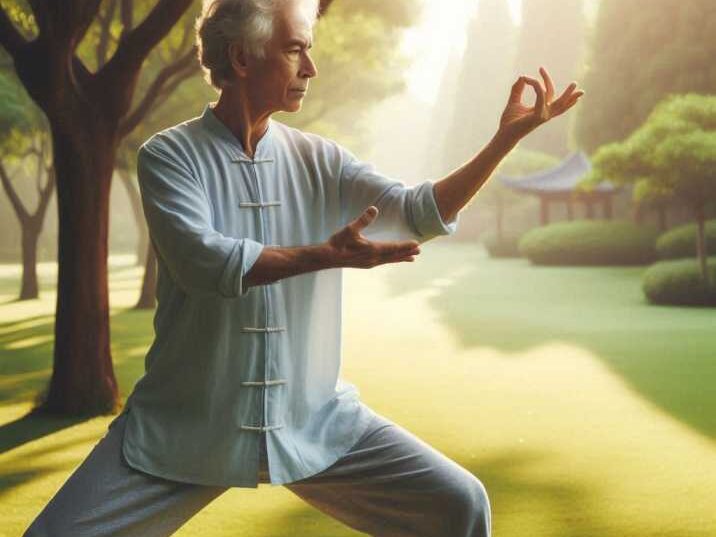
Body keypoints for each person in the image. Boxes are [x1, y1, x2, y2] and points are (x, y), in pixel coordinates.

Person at [23, 0, 584, 535]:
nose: (311, 67)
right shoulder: (169, 156)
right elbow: (204, 262)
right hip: (186, 427)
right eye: (295, 49)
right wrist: (323, 256)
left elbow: (418, 211)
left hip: (316, 423)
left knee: (459, 505)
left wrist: (503, 141)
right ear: (242, 58)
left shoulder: (322, 159)